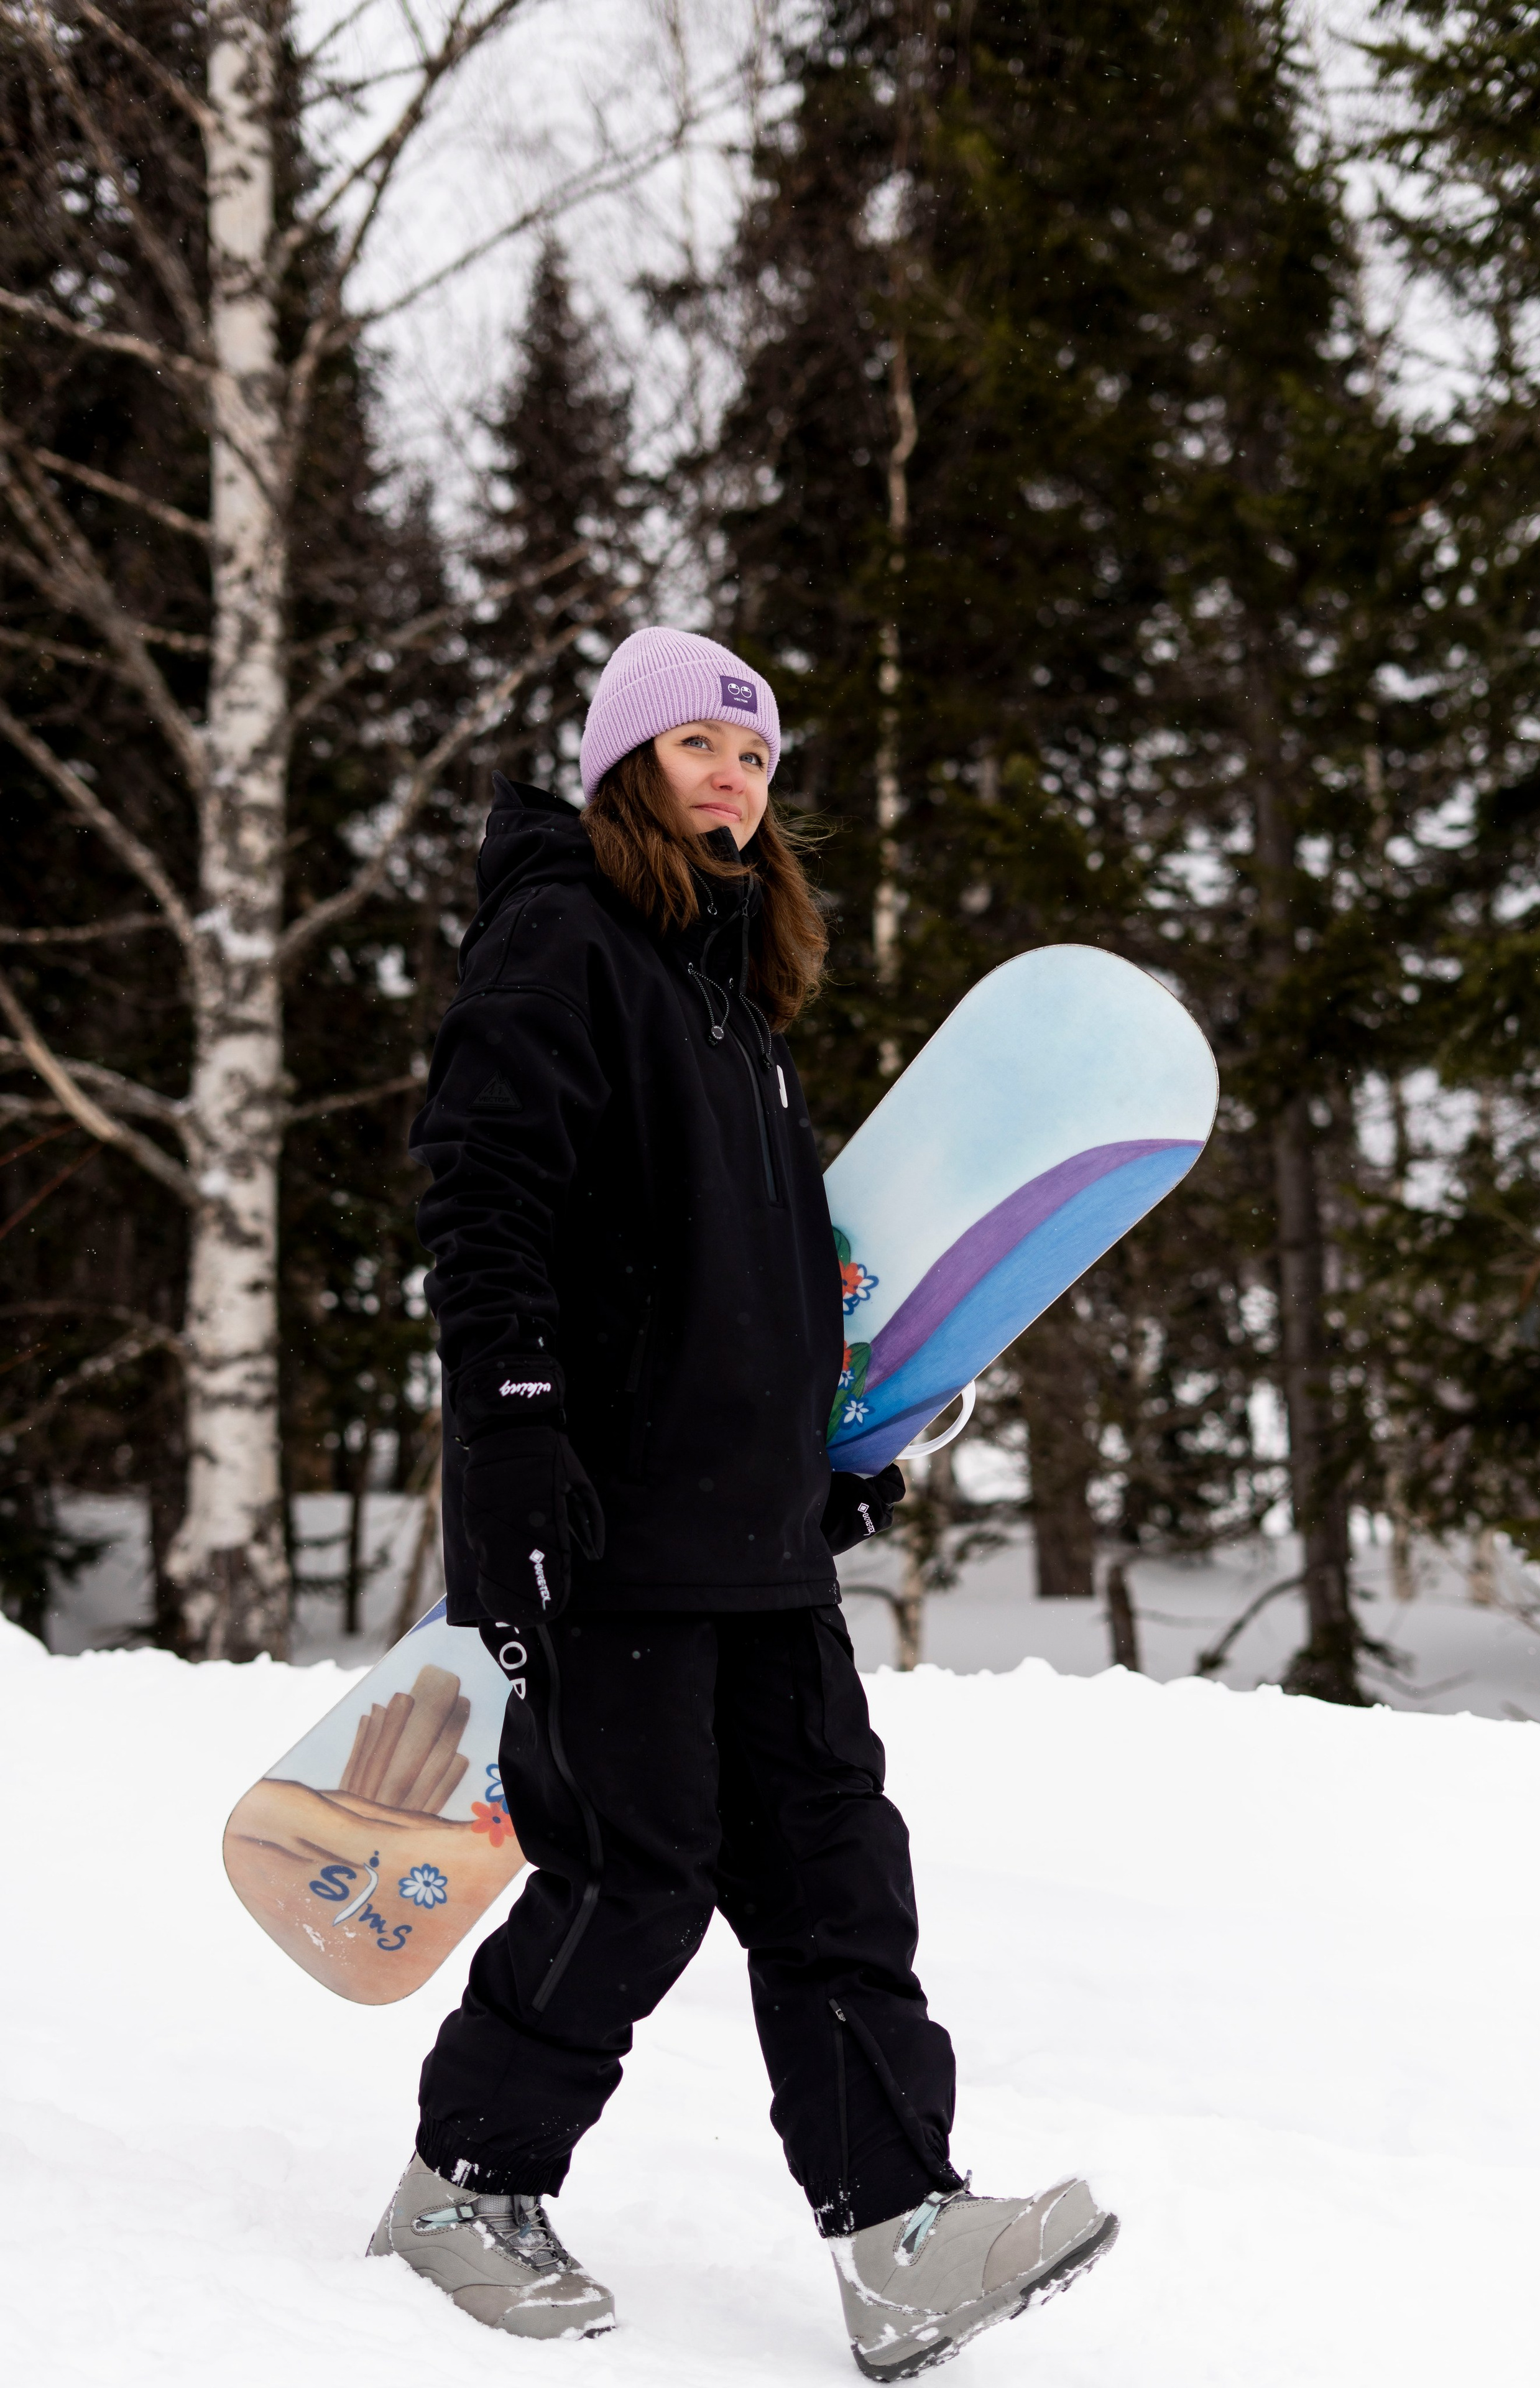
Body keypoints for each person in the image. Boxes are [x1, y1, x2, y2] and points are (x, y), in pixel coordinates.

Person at [367, 628, 1117, 2376]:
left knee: (835, 1872)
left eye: (756, 753)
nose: (731, 774)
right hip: (610, 1521)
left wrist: (825, 1467)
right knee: (633, 1873)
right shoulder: (564, 943)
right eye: (698, 740)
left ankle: (902, 2233)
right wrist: (521, 1439)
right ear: (626, 760)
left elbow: (756, 1283)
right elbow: (483, 1200)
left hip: (753, 1532)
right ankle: (465, 2185)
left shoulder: (733, 997)